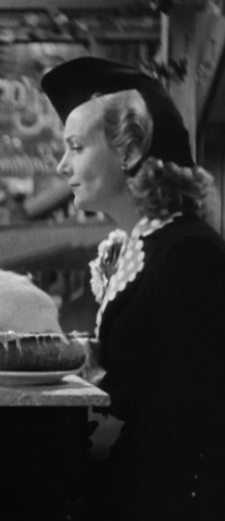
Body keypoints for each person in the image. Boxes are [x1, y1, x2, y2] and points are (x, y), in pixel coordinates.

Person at [41, 56, 225, 521]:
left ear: (130, 151)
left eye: (76, 147)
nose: (62, 166)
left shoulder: (187, 253)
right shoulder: (137, 247)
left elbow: (188, 418)